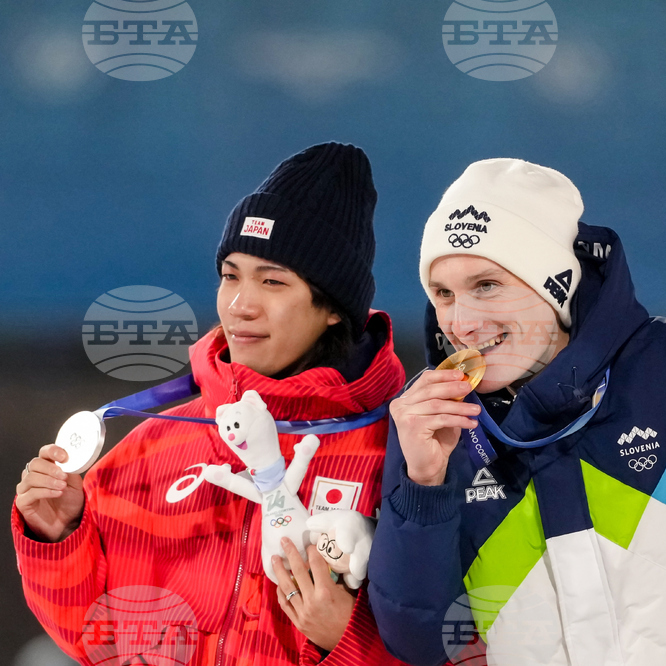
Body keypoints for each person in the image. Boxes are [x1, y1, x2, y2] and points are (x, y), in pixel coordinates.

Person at [13, 142, 409, 666]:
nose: (240, 305)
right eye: (231, 275)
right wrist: (60, 536)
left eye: (272, 281)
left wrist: (347, 640)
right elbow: (92, 637)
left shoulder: (401, 456)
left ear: (334, 307)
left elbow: (458, 646)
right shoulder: (155, 444)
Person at [367, 158, 666, 666]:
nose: (463, 322)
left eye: (487, 285)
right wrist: (423, 486)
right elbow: (423, 642)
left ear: (554, 285)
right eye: (444, 295)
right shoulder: (432, 424)